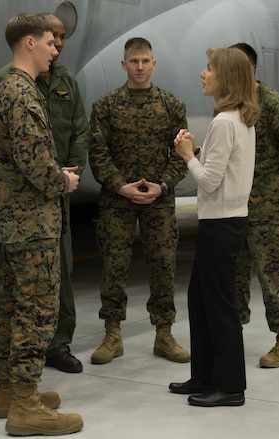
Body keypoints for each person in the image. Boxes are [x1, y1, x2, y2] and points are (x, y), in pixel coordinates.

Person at [0, 13, 82, 436]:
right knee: (35, 309)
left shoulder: (9, 88)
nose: (55, 49)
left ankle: (9, 391)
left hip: (16, 219)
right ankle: (25, 404)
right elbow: (36, 165)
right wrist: (64, 179)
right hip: (33, 220)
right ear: (29, 43)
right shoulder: (21, 93)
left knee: (12, 304)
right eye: (49, 42)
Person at [88, 37, 190, 365]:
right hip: (117, 200)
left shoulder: (171, 105)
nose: (141, 67)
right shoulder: (105, 106)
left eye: (146, 61)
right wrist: (121, 186)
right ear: (124, 65)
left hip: (158, 200)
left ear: (154, 63)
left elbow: (182, 153)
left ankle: (164, 333)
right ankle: (112, 334)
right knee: (114, 266)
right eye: (134, 61)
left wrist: (163, 185)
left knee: (163, 265)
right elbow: (98, 153)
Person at [169, 47, 258, 407]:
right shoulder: (239, 118)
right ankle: (204, 376)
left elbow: (208, 182)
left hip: (220, 224)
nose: (203, 74)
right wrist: (199, 150)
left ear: (226, 77)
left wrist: (188, 156)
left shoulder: (223, 121)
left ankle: (230, 386)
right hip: (229, 220)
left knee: (218, 305)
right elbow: (227, 168)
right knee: (200, 300)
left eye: (209, 69)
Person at [230, 42, 279, 368]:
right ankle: (231, 336)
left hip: (268, 212)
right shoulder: (229, 107)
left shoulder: (274, 106)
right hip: (235, 208)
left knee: (273, 277)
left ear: (248, 69)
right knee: (232, 277)